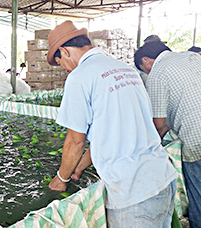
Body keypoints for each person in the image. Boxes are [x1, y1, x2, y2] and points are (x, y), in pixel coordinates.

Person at [46, 21, 177, 227]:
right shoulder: (125, 70)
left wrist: (61, 178)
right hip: (162, 178)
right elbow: (109, 130)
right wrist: (78, 168)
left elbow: (75, 142)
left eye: (60, 62)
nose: (64, 68)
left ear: (64, 51)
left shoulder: (80, 77)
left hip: (134, 192)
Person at [134, 41, 201, 228]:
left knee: (198, 194)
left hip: (197, 139)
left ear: (146, 61)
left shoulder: (157, 73)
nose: (146, 73)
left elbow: (158, 124)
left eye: (143, 69)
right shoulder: (193, 57)